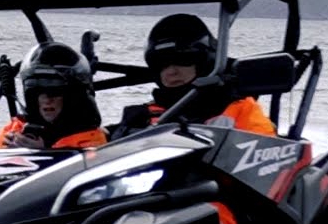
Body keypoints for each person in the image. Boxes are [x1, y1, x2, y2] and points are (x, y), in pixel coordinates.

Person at [117, 13, 275, 135]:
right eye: (162, 64)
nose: (171, 71)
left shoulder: (239, 108)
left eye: (182, 60)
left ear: (205, 63)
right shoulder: (141, 116)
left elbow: (266, 157)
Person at [0, 42, 108, 151]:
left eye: (54, 92)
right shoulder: (18, 129)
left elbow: (79, 168)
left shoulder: (92, 140)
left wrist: (44, 151)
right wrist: (3, 150)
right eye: (39, 92)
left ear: (72, 98)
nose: (46, 100)